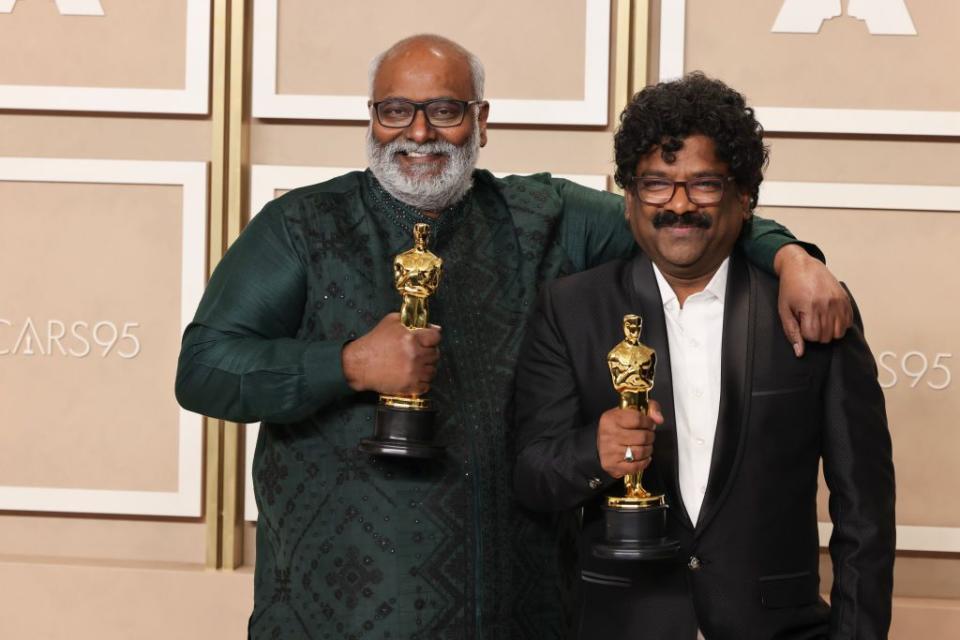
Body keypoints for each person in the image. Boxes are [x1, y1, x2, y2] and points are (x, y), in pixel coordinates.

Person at [176, 34, 854, 639]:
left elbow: (675, 221)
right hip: (331, 614)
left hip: (522, 610)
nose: (419, 132)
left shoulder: (542, 217)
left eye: (444, 110)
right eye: (395, 111)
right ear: (372, 119)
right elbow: (203, 368)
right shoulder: (301, 224)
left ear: (481, 121)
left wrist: (790, 254)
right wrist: (348, 364)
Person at [512, 72, 895, 639]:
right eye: (657, 184)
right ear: (629, 200)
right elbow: (532, 476)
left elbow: (864, 511)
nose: (679, 205)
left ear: (745, 198)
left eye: (705, 185)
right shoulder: (571, 310)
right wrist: (592, 453)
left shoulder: (809, 306)